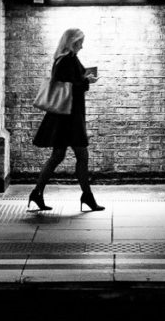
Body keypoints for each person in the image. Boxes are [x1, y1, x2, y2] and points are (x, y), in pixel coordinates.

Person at [29, 28, 104, 212]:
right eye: (80, 42)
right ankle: (87, 197)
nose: (82, 46)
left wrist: (83, 79)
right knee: (82, 156)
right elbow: (72, 86)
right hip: (69, 117)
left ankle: (37, 193)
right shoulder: (67, 60)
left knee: (58, 155)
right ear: (72, 42)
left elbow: (70, 82)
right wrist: (88, 81)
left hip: (64, 116)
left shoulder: (63, 59)